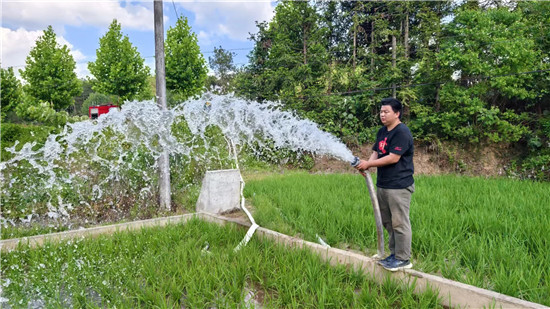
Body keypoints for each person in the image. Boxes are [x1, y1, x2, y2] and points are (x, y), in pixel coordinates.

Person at [355, 98, 415, 272]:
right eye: (381, 112)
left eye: (386, 111)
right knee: (388, 222)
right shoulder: (382, 131)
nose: (382, 114)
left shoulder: (402, 132)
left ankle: (403, 258)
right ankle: (394, 255)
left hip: (399, 186)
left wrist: (369, 164)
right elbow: (376, 152)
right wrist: (366, 165)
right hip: (383, 184)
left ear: (397, 114)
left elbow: (393, 157)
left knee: (400, 223)